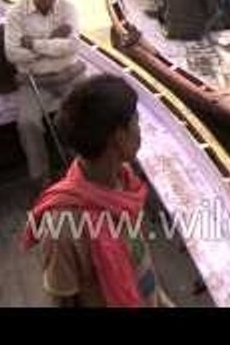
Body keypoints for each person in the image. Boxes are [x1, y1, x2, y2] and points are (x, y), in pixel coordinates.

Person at [23, 75, 172, 307]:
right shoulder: (61, 227)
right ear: (118, 136)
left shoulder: (125, 182)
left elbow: (141, 264)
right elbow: (62, 301)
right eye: (135, 121)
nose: (139, 131)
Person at [5, 0, 84, 185]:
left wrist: (35, 43)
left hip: (68, 74)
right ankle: (41, 175)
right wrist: (52, 39)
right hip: (33, 81)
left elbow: (73, 45)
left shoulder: (68, 8)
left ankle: (83, 164)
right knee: (27, 122)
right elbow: (12, 54)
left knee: (88, 112)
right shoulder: (15, 13)